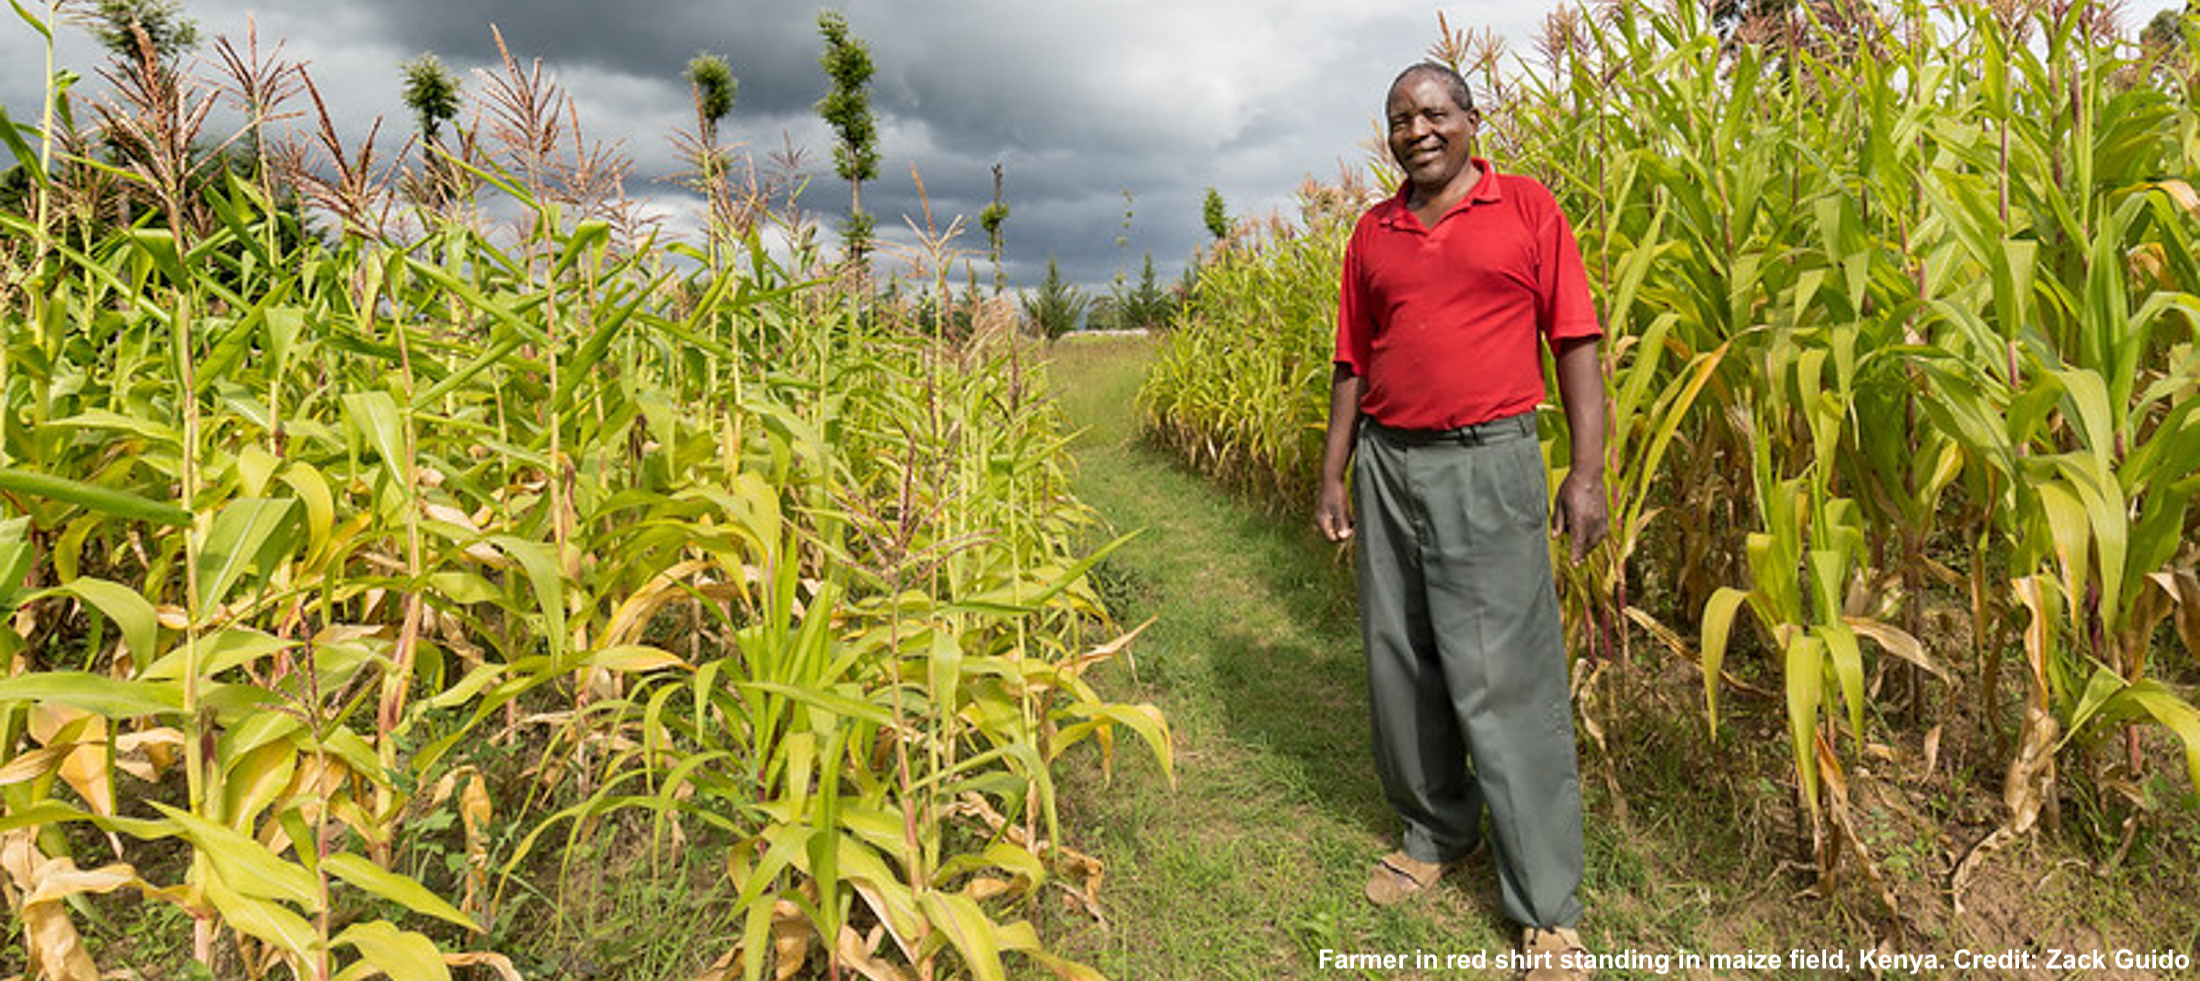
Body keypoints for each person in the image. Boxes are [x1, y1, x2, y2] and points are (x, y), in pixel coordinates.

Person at [1315, 60, 1608, 981]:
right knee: (1401, 659)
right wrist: (1334, 474)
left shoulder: (1526, 209)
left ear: (1473, 120)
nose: (1416, 130)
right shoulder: (1374, 230)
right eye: (1399, 118)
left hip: (1490, 464)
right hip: (1389, 465)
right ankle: (1437, 830)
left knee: (1505, 677)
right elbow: (1352, 363)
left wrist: (1586, 474)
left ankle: (1546, 904)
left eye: (1433, 112)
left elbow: (1577, 340)